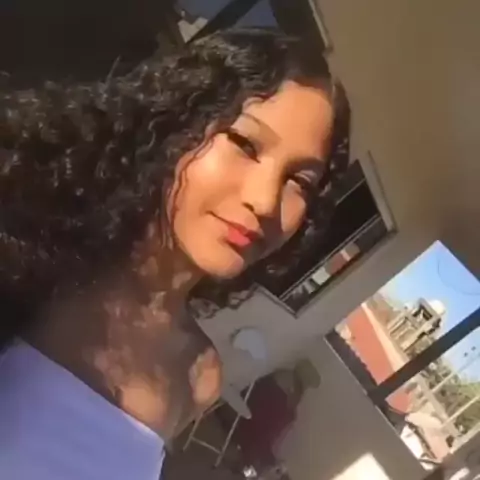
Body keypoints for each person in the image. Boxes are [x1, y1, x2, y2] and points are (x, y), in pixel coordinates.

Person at [0, 29, 345, 479]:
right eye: (244, 144)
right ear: (174, 123)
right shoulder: (29, 240)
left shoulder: (199, 375)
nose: (265, 201)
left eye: (299, 181)